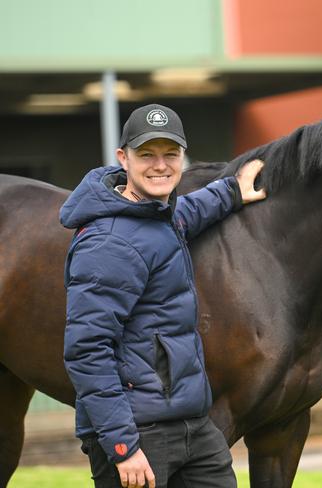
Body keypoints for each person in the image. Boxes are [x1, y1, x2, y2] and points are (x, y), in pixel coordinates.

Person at [60, 103, 266, 488]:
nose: (160, 165)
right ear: (123, 158)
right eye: (146, 155)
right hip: (138, 432)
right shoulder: (107, 243)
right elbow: (87, 349)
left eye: (170, 154)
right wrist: (123, 446)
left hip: (191, 423)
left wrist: (232, 190)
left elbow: (187, 212)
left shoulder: (158, 216)